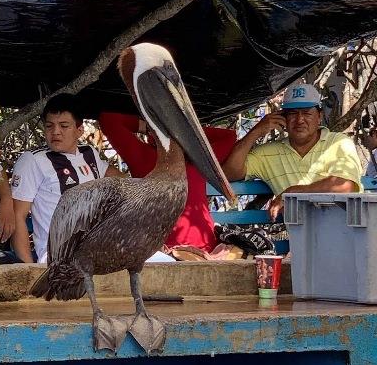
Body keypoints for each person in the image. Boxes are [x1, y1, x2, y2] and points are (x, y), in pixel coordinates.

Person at [99, 112, 237, 252]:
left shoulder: (197, 160)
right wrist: (152, 127)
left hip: (206, 248)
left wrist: (180, 130)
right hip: (163, 252)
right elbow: (109, 120)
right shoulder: (144, 157)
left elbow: (229, 137)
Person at [223, 83, 362, 221]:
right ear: (282, 118)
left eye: (307, 113)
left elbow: (344, 186)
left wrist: (292, 193)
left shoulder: (338, 143)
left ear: (319, 116)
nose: (299, 120)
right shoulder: (267, 153)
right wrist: (256, 132)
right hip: (301, 235)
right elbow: (229, 174)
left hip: (346, 231)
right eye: (293, 113)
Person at [11, 94, 122, 264]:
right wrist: (29, 270)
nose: (55, 132)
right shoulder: (32, 160)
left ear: (79, 130)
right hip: (60, 257)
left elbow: (118, 177)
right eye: (49, 126)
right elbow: (17, 216)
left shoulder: (89, 153)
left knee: (164, 263)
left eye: (64, 126)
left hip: (101, 248)